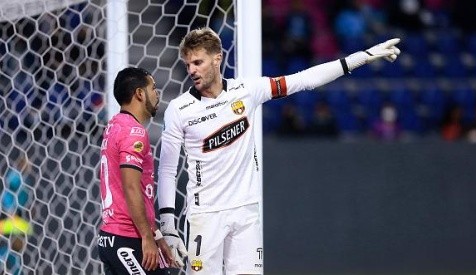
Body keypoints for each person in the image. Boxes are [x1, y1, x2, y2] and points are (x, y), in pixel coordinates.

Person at [157, 27, 400, 275]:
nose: (192, 70)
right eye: (188, 65)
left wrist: (361, 57)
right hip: (205, 216)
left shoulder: (247, 91)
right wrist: (167, 224)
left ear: (217, 58)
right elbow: (166, 169)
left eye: (198, 62)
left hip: (246, 211)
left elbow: (303, 80)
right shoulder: (179, 109)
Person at [97, 67, 177, 274]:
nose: (156, 94)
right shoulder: (134, 133)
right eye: (153, 88)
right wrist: (147, 238)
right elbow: (131, 187)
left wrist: (156, 236)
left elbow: (137, 190)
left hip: (112, 236)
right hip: (128, 238)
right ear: (140, 94)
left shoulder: (114, 125)